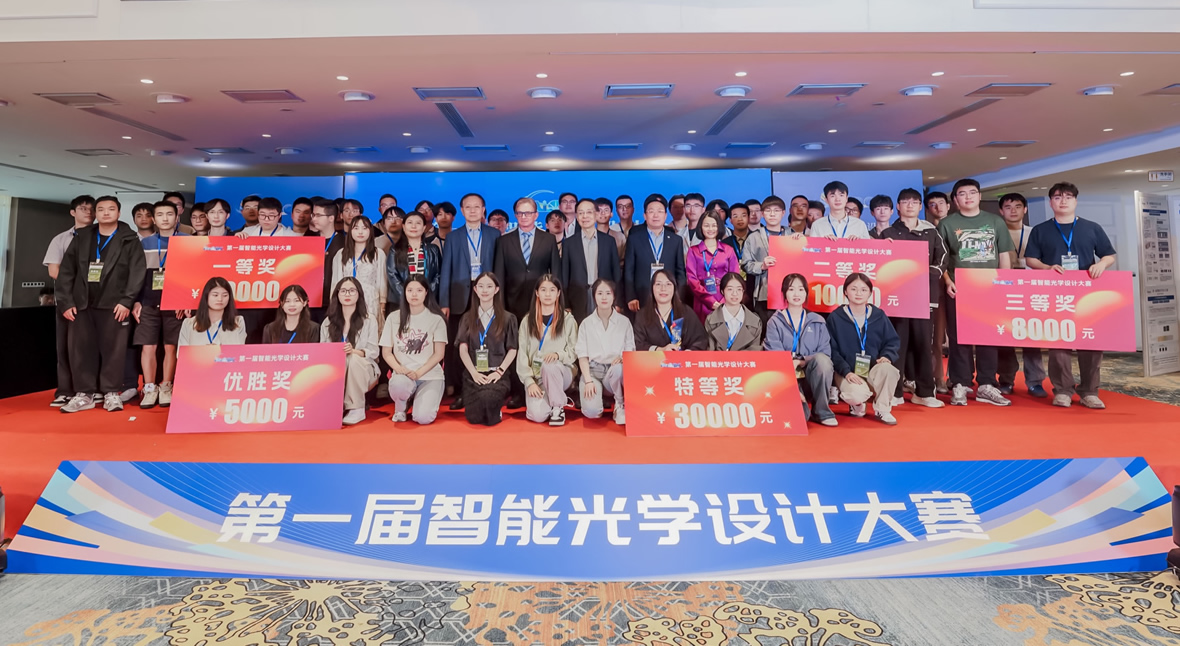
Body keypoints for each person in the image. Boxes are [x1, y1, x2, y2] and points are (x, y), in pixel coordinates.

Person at [1025, 182, 1117, 410]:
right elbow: (1031, 259)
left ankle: (1089, 391)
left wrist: (1102, 264)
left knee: (1091, 343)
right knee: (1058, 343)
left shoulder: (1092, 228)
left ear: (1075, 201)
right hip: (1055, 295)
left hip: (1087, 295)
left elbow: (1109, 255)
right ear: (1051, 202)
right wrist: (1047, 268)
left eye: (1068, 197)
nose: (1063, 201)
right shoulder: (1041, 230)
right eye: (1057, 197)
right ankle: (1063, 390)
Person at [56, 196, 146, 413]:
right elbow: (66, 271)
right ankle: (84, 394)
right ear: (95, 213)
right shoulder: (83, 237)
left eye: (111, 209)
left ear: (118, 213)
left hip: (115, 305)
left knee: (114, 351)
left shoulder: (129, 239)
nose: (106, 213)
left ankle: (111, 393)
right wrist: (66, 302)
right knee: (80, 350)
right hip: (82, 304)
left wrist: (126, 301)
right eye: (101, 209)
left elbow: (137, 272)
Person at [938, 178, 1015, 407]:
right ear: (955, 200)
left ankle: (986, 384)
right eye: (962, 194)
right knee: (958, 337)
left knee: (987, 336)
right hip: (958, 288)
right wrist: (947, 282)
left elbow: (1004, 255)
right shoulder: (947, 224)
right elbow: (941, 260)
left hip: (989, 288)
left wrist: (1003, 284)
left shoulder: (995, 221)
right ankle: (960, 383)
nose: (968, 197)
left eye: (972, 192)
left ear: (980, 196)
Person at [880, 188, 947, 409]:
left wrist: (929, 273)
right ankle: (895, 391)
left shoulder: (931, 231)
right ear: (898, 207)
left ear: (920, 206)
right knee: (896, 345)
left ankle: (924, 392)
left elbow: (943, 258)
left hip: (924, 296)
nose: (910, 205)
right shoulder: (888, 233)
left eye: (914, 202)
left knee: (923, 344)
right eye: (905, 202)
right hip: (896, 298)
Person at [440, 193, 500, 400]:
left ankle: (485, 385)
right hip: (459, 296)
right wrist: (444, 302)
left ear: (483, 210)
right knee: (457, 343)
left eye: (477, 207)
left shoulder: (494, 234)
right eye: (468, 207)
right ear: (462, 211)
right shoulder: (453, 237)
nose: (473, 211)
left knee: (484, 342)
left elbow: (499, 268)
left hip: (487, 294)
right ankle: (456, 386)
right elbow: (446, 270)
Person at [132, 201, 189, 409]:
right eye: (160, 214)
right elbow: (136, 275)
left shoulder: (188, 241)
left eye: (169, 214)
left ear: (177, 217)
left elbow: (193, 274)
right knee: (148, 346)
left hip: (176, 304)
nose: (165, 218)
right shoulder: (145, 243)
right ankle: (149, 387)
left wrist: (187, 300)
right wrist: (136, 301)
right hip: (148, 302)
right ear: (154, 219)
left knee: (170, 346)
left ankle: (166, 386)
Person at [827, 273, 901, 425]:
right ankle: (857, 404)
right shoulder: (836, 317)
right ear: (845, 291)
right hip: (847, 372)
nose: (858, 293)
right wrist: (846, 372)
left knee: (889, 370)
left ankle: (883, 409)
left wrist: (887, 356)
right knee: (855, 394)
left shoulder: (879, 316)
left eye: (863, 289)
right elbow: (832, 350)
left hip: (873, 368)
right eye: (853, 289)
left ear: (870, 293)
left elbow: (892, 341)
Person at [44, 195, 95, 407]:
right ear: (73, 212)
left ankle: (92, 389)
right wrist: (77, 288)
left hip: (94, 300)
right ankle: (65, 390)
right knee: (66, 347)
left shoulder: (103, 238)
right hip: (68, 300)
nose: (89, 212)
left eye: (92, 209)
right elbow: (53, 270)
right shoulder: (61, 239)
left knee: (92, 347)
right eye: (83, 208)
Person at [766, 273, 837, 425]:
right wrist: (792, 376)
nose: (796, 294)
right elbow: (774, 354)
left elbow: (825, 353)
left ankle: (822, 412)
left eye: (800, 289)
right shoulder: (775, 321)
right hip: (787, 376)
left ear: (806, 293)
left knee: (823, 361)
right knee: (800, 418)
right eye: (791, 289)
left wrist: (801, 361)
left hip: (811, 376)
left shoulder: (817, 321)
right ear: (784, 293)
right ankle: (798, 399)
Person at [996, 192, 1047, 397]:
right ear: (1001, 211)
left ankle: (1035, 381)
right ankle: (1006, 379)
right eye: (1008, 207)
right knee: (1004, 334)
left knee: (1031, 334)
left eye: (1017, 206)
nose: (1013, 211)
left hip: (1030, 289)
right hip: (1003, 288)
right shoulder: (995, 232)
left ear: (1025, 209)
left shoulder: (1036, 232)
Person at [381, 275, 447, 423]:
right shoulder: (393, 318)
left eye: (419, 290)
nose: (414, 294)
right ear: (404, 292)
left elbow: (439, 354)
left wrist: (418, 373)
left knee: (423, 418)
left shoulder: (436, 319)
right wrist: (399, 369)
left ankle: (417, 399)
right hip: (403, 375)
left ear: (426, 292)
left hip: (430, 376)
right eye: (410, 290)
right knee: (399, 384)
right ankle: (401, 407)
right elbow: (386, 352)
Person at [456, 272, 518, 426]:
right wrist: (474, 373)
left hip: (497, 374)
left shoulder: (508, 318)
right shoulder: (467, 318)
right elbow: (463, 349)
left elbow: (512, 349)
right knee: (474, 418)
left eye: (489, 286)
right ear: (475, 289)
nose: (485, 290)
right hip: (474, 374)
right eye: (481, 286)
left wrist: (500, 371)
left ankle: (496, 408)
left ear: (496, 289)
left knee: (489, 402)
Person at [517, 274, 579, 425]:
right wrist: (529, 382)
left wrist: (558, 355)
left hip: (561, 372)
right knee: (538, 416)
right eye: (543, 290)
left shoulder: (568, 320)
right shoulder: (527, 321)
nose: (548, 294)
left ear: (558, 293)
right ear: (537, 293)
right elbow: (522, 354)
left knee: (549, 365)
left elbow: (574, 351)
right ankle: (551, 400)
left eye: (552, 290)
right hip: (536, 376)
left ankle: (558, 407)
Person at [321, 277, 380, 425]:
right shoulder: (328, 322)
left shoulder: (369, 320)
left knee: (352, 360)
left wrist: (354, 351)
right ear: (337, 294)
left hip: (365, 369)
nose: (347, 294)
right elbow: (323, 350)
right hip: (337, 368)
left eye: (352, 290)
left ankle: (357, 408)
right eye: (343, 291)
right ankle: (335, 405)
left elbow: (373, 351)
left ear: (359, 294)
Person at [576, 279, 634, 425]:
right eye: (600, 293)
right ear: (594, 296)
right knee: (592, 412)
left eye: (608, 293)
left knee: (618, 369)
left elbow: (630, 349)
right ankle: (599, 400)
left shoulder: (624, 322)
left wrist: (622, 358)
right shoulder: (586, 323)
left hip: (614, 373)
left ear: (614, 296)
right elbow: (582, 355)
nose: (604, 297)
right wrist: (588, 380)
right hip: (593, 372)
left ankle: (619, 404)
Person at [561, 198, 622, 323]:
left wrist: (617, 301)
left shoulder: (608, 241)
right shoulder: (569, 243)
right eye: (581, 213)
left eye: (589, 212)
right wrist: (566, 303)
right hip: (578, 298)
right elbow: (564, 276)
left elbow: (616, 273)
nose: (585, 216)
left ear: (596, 214)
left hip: (603, 296)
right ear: (577, 216)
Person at [623, 194, 686, 313]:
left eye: (660, 211)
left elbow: (680, 272)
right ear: (645, 215)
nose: (655, 215)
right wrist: (631, 296)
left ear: (665, 215)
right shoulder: (634, 239)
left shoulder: (676, 240)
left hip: (669, 297)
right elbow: (628, 271)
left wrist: (679, 297)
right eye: (651, 211)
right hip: (641, 297)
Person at [741, 195, 797, 326]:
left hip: (790, 291)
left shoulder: (792, 235)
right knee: (767, 328)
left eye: (776, 210)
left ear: (783, 213)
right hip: (764, 292)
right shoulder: (753, 237)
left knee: (790, 327)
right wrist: (762, 266)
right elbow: (745, 264)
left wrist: (801, 242)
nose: (772, 214)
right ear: (762, 214)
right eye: (768, 210)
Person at [330, 216, 388, 331]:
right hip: (346, 299)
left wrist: (382, 304)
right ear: (350, 230)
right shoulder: (341, 254)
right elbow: (335, 282)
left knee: (369, 332)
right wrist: (333, 303)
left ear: (370, 231)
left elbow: (382, 281)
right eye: (356, 228)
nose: (360, 232)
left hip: (370, 299)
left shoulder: (378, 254)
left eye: (364, 228)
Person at [634, 270, 709, 351]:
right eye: (658, 284)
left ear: (674, 288)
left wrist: (688, 353)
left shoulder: (686, 312)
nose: (663, 288)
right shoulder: (642, 315)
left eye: (668, 284)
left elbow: (701, 340)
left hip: (682, 358)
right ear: (652, 288)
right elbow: (637, 343)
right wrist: (659, 349)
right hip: (652, 359)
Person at [687, 211, 740, 322]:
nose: (710, 229)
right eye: (706, 225)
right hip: (702, 301)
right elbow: (692, 279)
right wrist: (710, 300)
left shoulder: (728, 250)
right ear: (700, 227)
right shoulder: (693, 251)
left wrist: (725, 300)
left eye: (714, 225)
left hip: (727, 300)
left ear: (719, 227)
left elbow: (735, 277)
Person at [388, 210, 442, 311]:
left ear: (424, 227)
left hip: (428, 301)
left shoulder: (433, 249)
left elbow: (438, 275)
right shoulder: (395, 249)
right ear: (404, 227)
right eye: (410, 223)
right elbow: (392, 275)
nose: (414, 226)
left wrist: (426, 294)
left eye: (418, 223)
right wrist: (407, 296)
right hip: (400, 302)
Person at [177, 276, 247, 346]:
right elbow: (181, 351)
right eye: (215, 295)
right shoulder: (189, 324)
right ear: (206, 296)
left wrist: (219, 350)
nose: (220, 299)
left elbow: (240, 350)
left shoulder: (238, 322)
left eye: (225, 295)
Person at [704, 272, 761, 351]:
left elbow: (755, 351)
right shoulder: (711, 320)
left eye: (739, 289)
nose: (735, 293)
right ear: (722, 291)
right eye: (730, 289)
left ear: (743, 291)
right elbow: (710, 351)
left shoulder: (755, 321)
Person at [311, 199, 346, 322]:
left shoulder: (344, 242)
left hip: (333, 300)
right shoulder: (309, 240)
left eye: (318, 215)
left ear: (331, 218)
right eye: (313, 215)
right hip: (310, 300)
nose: (314, 219)